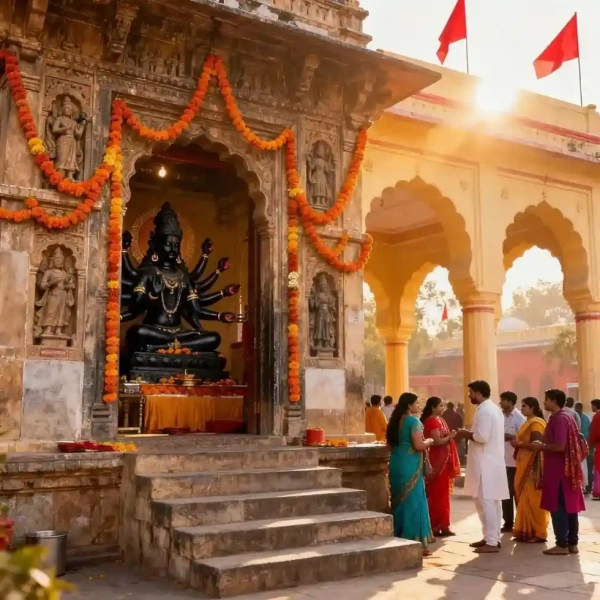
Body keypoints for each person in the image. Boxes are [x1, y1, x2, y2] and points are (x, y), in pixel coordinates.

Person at [457, 380, 509, 553]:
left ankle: (492, 541)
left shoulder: (486, 411)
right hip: (489, 463)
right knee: (488, 503)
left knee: (487, 503)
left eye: (471, 393)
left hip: (486, 465)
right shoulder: (492, 409)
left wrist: (465, 433)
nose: (469, 396)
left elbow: (482, 437)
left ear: (479, 393)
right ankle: (490, 537)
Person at [534, 389, 586, 555]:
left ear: (554, 401)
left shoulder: (559, 419)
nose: (544, 402)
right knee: (571, 508)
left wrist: (541, 446)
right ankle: (572, 544)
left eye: (546, 399)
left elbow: (560, 446)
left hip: (559, 471)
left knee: (559, 507)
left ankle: (561, 544)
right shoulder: (568, 417)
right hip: (568, 469)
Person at [387, 392, 435, 556]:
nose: (418, 405)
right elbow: (418, 445)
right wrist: (430, 441)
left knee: (399, 501)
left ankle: (398, 537)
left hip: (396, 464)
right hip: (410, 466)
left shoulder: (394, 422)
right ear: (409, 405)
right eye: (416, 403)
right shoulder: (413, 421)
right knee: (414, 502)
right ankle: (416, 543)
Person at [509, 397, 549, 543]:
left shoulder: (537, 423)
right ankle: (526, 531)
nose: (522, 408)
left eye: (525, 406)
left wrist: (518, 443)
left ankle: (539, 533)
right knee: (524, 499)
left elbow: (536, 445)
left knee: (534, 500)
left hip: (532, 467)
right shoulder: (528, 423)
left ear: (532, 408)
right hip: (523, 464)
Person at [421, 397, 461, 537]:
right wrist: (450, 437)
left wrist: (450, 437)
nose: (442, 408)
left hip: (444, 461)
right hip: (436, 461)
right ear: (432, 408)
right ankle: (434, 525)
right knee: (435, 495)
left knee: (443, 495)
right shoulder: (431, 421)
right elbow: (437, 442)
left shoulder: (441, 420)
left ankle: (444, 525)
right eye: (440, 406)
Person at [499, 391, 526, 534]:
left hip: (514, 462)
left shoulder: (519, 418)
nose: (500, 403)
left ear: (510, 402)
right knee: (505, 493)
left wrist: (511, 436)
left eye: (503, 400)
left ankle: (520, 522)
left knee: (516, 493)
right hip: (502, 461)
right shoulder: (500, 416)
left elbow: (524, 438)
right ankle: (508, 522)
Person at [575, 402, 592, 493]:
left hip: (583, 444)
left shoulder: (585, 418)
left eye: (578, 408)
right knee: (583, 466)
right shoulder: (578, 416)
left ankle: (586, 486)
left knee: (585, 466)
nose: (577, 409)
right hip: (580, 444)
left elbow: (586, 433)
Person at [589, 399, 600, 500]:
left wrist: (589, 444)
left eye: (592, 406)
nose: (591, 408)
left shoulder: (597, 416)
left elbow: (594, 433)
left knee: (598, 468)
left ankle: (598, 491)